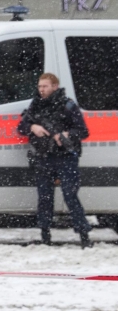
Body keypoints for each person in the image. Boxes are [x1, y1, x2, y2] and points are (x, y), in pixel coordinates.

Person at [19, 71, 91, 248]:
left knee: (70, 195)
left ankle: (84, 235)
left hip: (66, 157)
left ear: (55, 87)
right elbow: (22, 127)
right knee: (44, 197)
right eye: (39, 86)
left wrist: (67, 135)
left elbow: (83, 131)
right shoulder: (36, 106)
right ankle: (45, 235)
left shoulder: (68, 106)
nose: (41, 90)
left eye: (45, 86)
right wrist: (33, 127)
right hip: (43, 157)